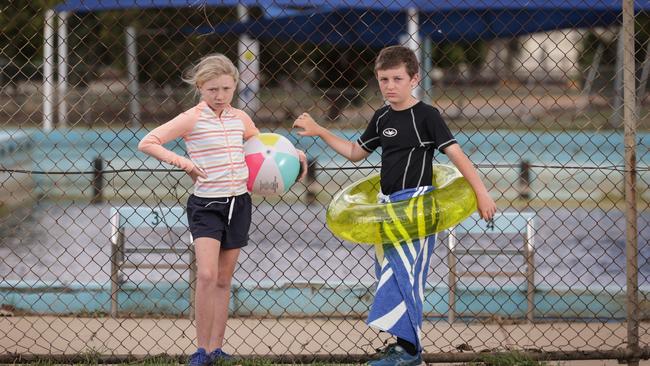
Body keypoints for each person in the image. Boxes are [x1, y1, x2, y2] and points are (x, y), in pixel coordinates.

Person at [293, 45, 496, 366]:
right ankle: (404, 346)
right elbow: (355, 152)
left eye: (397, 79)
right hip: (388, 209)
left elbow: (456, 155)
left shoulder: (427, 116)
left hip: (417, 209)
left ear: (414, 78)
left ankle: (411, 351)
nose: (389, 86)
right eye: (383, 79)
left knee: (405, 275)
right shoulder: (382, 117)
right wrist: (319, 130)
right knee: (389, 273)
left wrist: (481, 192)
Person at [138, 53, 307, 366]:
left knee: (223, 280)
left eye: (226, 89)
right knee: (206, 274)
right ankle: (200, 350)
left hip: (238, 203)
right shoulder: (191, 117)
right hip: (206, 205)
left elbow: (263, 148)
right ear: (201, 87)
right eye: (213, 89)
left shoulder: (240, 118)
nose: (220, 95)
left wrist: (292, 154)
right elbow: (149, 142)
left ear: (235, 88)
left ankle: (217, 349)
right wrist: (184, 163)